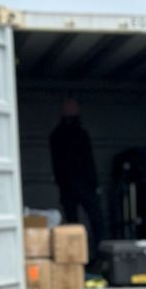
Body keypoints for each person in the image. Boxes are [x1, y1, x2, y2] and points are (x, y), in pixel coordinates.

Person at [49, 97, 106, 267]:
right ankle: (98, 258)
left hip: (68, 186)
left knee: (75, 223)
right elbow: (89, 162)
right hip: (82, 185)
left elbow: (56, 164)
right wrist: (94, 184)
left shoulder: (56, 135)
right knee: (95, 221)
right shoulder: (80, 134)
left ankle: (79, 259)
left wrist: (61, 184)